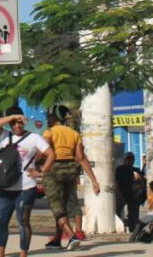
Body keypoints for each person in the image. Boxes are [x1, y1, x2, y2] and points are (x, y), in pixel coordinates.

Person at [0, 106, 54, 257]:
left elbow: (51, 154)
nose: (17, 126)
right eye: (13, 123)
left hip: (26, 187)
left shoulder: (34, 138)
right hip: (6, 187)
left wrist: (40, 172)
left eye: (20, 122)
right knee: (1, 222)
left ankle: (23, 253)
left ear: (24, 122)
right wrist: (13, 115)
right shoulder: (4, 135)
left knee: (23, 221)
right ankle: (0, 253)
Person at [42, 106, 100, 250]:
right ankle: (57, 239)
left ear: (53, 118)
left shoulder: (49, 132)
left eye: (49, 117)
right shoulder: (74, 134)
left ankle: (72, 236)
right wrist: (94, 180)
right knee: (66, 204)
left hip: (53, 171)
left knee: (56, 206)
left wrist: (35, 162)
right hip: (70, 171)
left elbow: (45, 151)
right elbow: (81, 158)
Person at [115, 152, 143, 232]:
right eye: (128, 159)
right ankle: (119, 228)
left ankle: (132, 229)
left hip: (133, 196)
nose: (130, 160)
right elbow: (117, 182)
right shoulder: (120, 169)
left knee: (133, 214)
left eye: (132, 159)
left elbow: (142, 184)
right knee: (117, 211)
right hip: (121, 194)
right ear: (124, 160)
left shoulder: (136, 170)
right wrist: (120, 195)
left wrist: (140, 178)